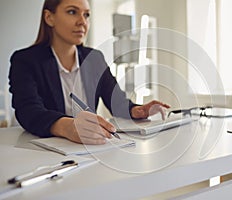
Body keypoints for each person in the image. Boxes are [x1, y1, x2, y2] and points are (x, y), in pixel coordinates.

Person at [8, 0, 170, 145]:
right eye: (72, 12)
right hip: (39, 150)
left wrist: (138, 110)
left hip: (88, 148)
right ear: (49, 17)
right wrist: (67, 127)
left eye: (86, 15)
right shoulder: (25, 60)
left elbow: (117, 102)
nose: (82, 22)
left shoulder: (94, 58)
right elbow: (28, 111)